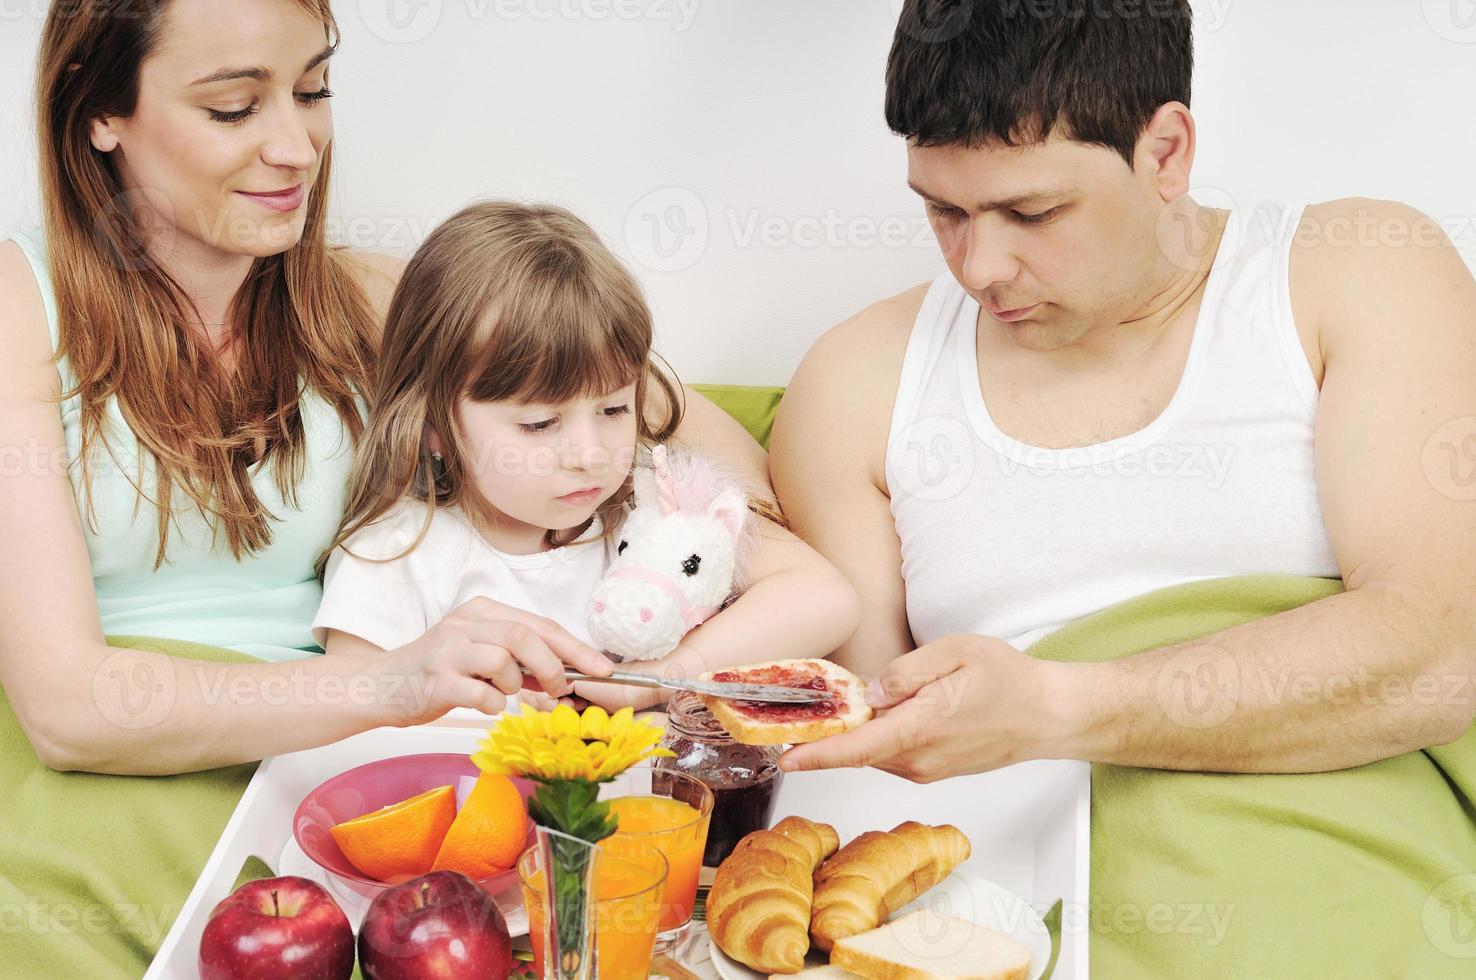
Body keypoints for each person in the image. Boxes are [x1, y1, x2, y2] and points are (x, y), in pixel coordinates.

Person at [0, 0, 775, 776]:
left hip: (330, 769)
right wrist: (387, 681)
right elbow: (70, 713)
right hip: (118, 782)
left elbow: (694, 442)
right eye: (232, 108)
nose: (297, 148)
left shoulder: (366, 300)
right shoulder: (20, 311)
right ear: (99, 108)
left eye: (313, 92)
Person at [772, 0, 1476, 780]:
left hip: (1325, 863)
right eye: (944, 211)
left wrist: (1055, 709)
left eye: (1032, 212)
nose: (980, 270)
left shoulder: (1358, 272)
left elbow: (1438, 654)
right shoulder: (853, 383)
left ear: (1166, 152)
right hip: (994, 881)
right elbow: (868, 746)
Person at [311, 200, 859, 710]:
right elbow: (351, 712)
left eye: (615, 410)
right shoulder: (399, 551)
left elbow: (825, 597)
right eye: (540, 423)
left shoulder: (647, 506)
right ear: (433, 425)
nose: (590, 455)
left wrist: (657, 680)